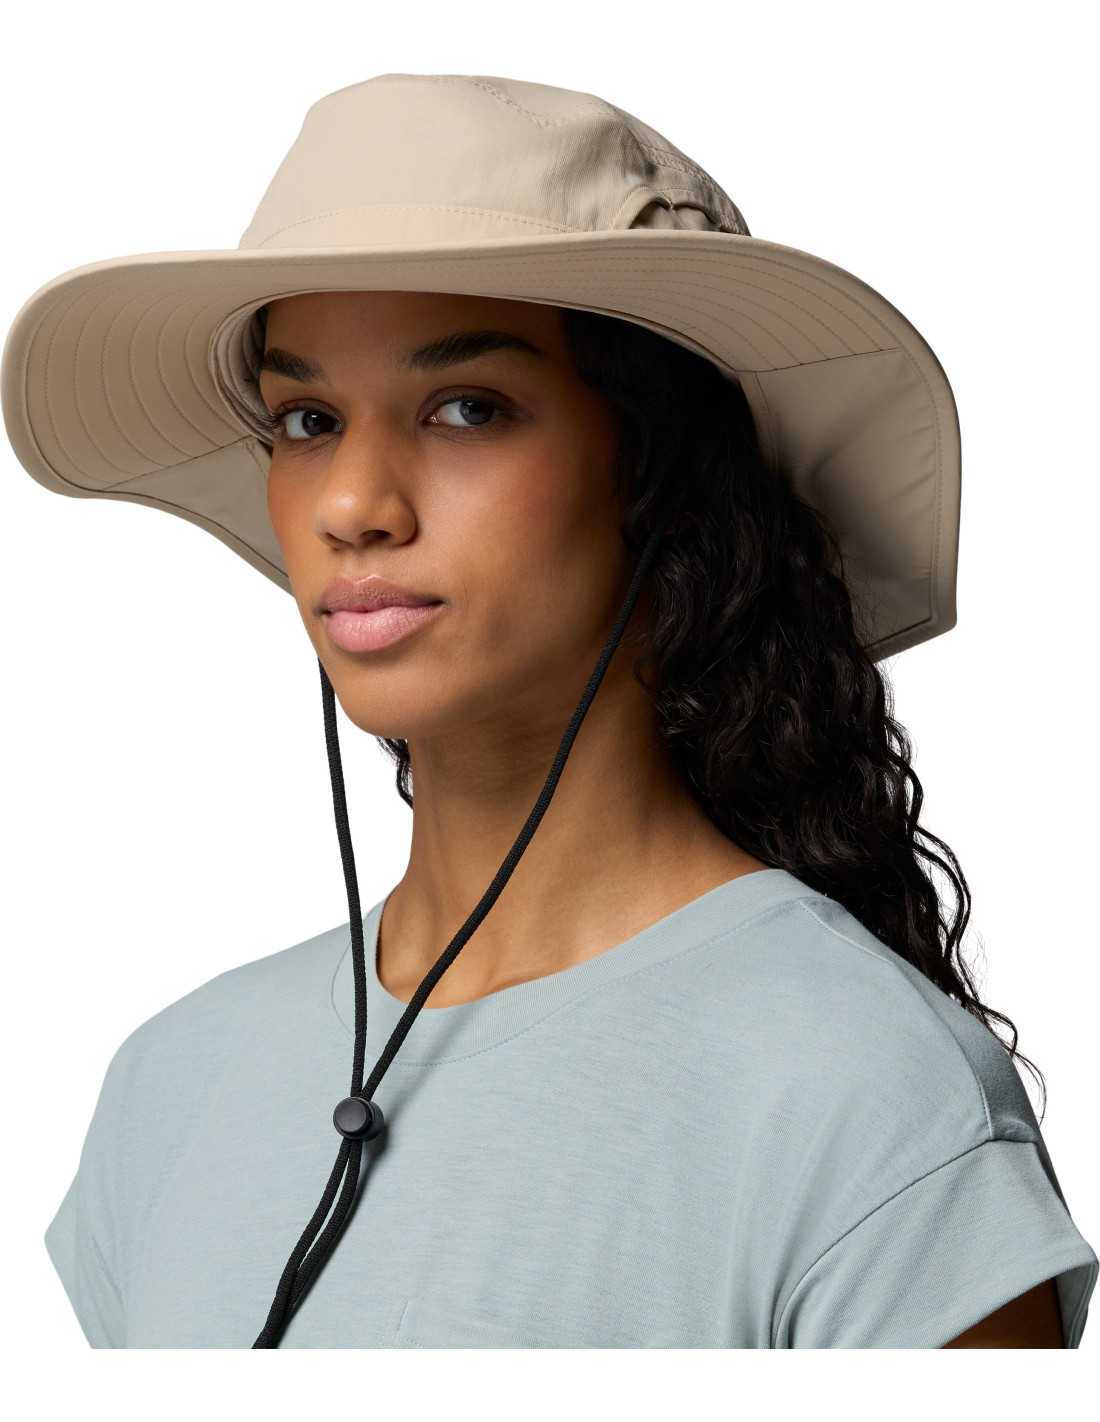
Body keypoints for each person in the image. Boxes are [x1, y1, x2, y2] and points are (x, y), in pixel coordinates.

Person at [3, 73, 1096, 1350]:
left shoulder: (860, 1100)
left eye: (466, 408)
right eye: (306, 419)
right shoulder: (174, 1084)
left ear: (661, 475)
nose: (351, 504)